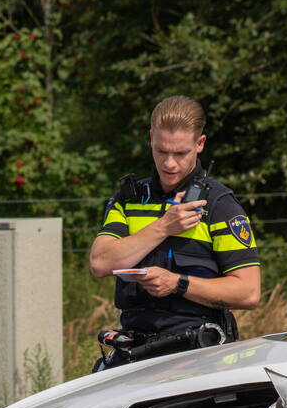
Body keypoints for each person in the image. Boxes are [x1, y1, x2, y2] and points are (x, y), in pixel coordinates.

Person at [89, 95, 261, 369]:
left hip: (198, 355)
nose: (169, 163)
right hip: (134, 353)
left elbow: (248, 292)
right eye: (161, 151)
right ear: (151, 139)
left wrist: (178, 283)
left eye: (180, 153)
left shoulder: (218, 204)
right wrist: (163, 227)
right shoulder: (129, 199)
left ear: (200, 144)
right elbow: (100, 263)